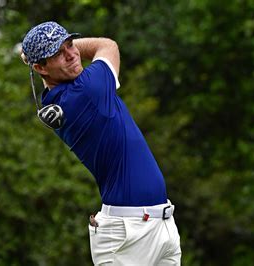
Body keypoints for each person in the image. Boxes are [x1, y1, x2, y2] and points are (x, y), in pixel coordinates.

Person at [21, 21, 181, 265]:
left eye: (70, 45)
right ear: (41, 67)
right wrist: (65, 50)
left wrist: (43, 56)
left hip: (160, 225)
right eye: (58, 53)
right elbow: (107, 45)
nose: (71, 55)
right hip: (127, 235)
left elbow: (70, 62)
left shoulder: (61, 96)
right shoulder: (88, 91)